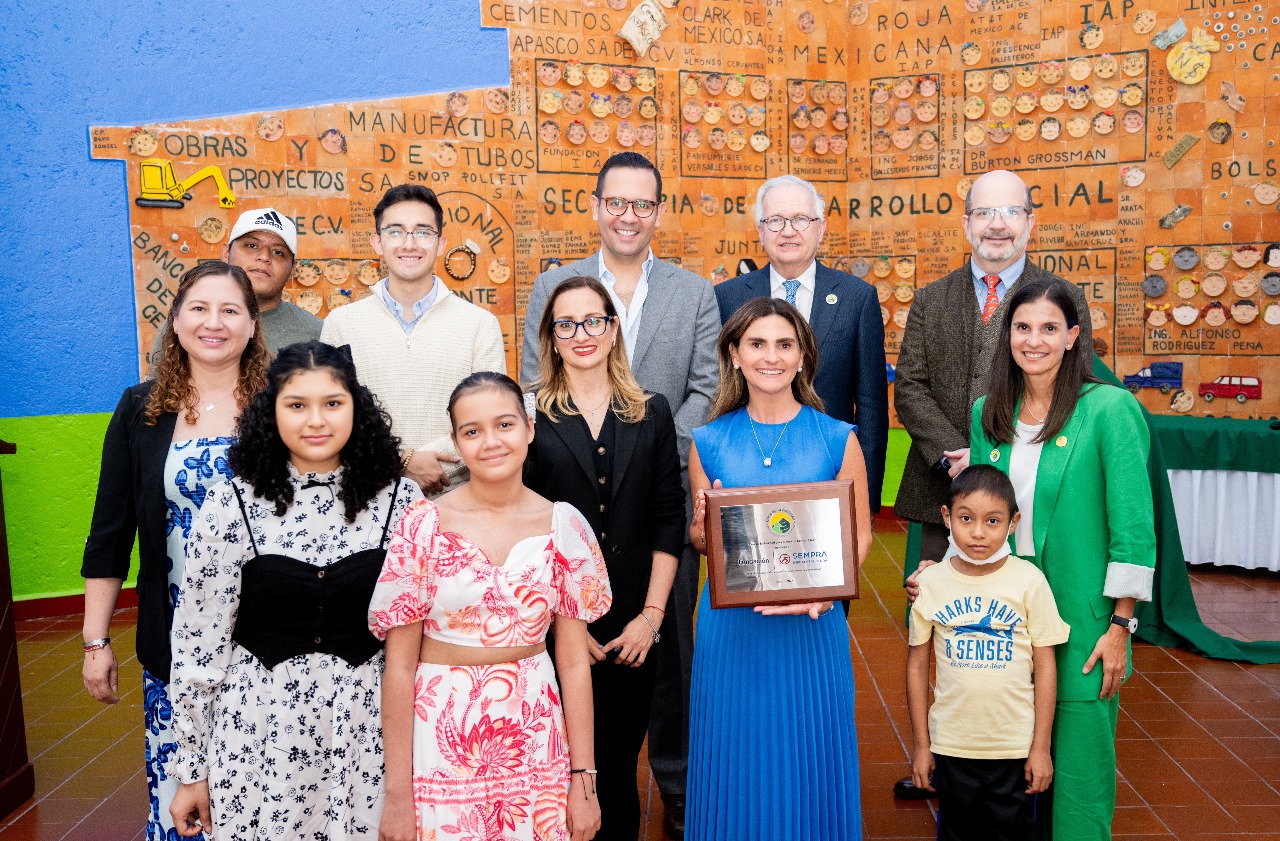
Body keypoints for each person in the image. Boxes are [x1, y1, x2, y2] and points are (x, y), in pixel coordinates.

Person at [519, 152, 719, 838]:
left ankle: (675, 785)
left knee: (668, 664)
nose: (628, 215)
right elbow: (532, 388)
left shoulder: (694, 292)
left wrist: (646, 443)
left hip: (658, 503)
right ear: (597, 205)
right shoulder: (553, 285)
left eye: (642, 203)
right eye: (616, 202)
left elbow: (705, 388)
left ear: (658, 211)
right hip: (566, 507)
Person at [891, 169, 1093, 798]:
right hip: (940, 490)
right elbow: (910, 386)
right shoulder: (932, 299)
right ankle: (938, 756)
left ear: (1029, 222)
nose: (997, 225)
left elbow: (1076, 385)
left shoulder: (1058, 298)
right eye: (984, 212)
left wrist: (997, 454)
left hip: (1034, 498)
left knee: (1020, 632)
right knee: (935, 631)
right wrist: (964, 459)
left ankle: (1018, 760)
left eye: (1010, 212)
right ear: (967, 223)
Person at [167, 341, 422, 837]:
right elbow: (199, 643)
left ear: (357, 408)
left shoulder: (401, 502)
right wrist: (192, 770)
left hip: (367, 735)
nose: (316, 421)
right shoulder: (231, 503)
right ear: (272, 411)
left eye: (333, 403)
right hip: (259, 736)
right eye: (297, 405)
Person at [371, 372, 612, 841]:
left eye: (504, 424)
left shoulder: (564, 526)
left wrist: (584, 780)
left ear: (529, 428)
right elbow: (398, 667)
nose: (491, 442)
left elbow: (573, 662)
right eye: (472, 431)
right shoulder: (422, 525)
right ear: (456, 443)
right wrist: (398, 796)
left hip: (536, 736)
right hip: (442, 740)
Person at [81, 261, 271, 839]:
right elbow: (110, 532)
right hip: (176, 642)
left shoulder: (282, 405)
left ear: (252, 324)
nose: (214, 323)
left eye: (230, 310)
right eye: (199, 308)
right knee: (184, 804)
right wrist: (95, 641)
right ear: (176, 319)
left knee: (265, 799)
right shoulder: (141, 409)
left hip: (269, 640)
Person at [967, 277, 1155, 840]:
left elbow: (1133, 530)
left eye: (1049, 328)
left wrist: (1120, 627)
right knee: (1005, 768)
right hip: (1004, 617)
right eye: (1023, 327)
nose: (1034, 340)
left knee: (1078, 777)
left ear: (1073, 337)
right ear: (1007, 335)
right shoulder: (987, 412)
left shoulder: (1110, 410)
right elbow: (979, 513)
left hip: (1083, 621)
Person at [685, 297, 872, 840]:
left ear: (803, 356)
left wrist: (827, 594)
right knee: (735, 758)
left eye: (785, 344)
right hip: (733, 633)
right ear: (734, 354)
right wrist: (701, 526)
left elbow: (859, 535)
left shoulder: (838, 437)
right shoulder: (708, 441)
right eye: (757, 344)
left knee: (811, 756)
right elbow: (702, 540)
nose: (771, 356)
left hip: (813, 627)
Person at [524, 276, 685, 840]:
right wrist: (561, 627)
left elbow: (668, 516)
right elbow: (525, 529)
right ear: (552, 338)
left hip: (633, 626)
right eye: (566, 324)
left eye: (593, 320)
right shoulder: (530, 417)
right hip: (557, 623)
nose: (582, 334)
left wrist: (651, 617)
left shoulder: (652, 412)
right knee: (560, 770)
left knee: (617, 768)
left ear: (613, 329)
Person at [906, 466, 1070, 841]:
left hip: (1013, 747)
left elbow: (1046, 667)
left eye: (992, 521)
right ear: (946, 517)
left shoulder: (1029, 581)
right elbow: (916, 668)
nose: (978, 532)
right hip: (952, 745)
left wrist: (1040, 748)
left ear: (1013, 523)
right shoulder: (930, 583)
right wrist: (922, 746)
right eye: (966, 518)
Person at [715, 174, 888, 511]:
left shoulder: (857, 299)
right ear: (760, 230)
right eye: (776, 220)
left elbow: (871, 406)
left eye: (800, 219)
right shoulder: (727, 298)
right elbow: (717, 391)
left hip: (830, 476)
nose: (788, 230)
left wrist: (865, 501)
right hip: (745, 477)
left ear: (820, 228)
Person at [321, 184, 506, 496]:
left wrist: (431, 464)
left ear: (440, 243)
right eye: (395, 232)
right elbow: (330, 416)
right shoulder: (340, 324)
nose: (409, 244)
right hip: (365, 501)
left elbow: (491, 418)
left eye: (422, 232)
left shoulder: (480, 325)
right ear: (377, 242)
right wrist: (401, 462)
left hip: (456, 502)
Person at [150, 208, 321, 364]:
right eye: (251, 245)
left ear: (292, 270)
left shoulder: (317, 334)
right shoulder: (189, 325)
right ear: (226, 253)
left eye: (278, 252)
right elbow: (160, 385)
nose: (264, 257)